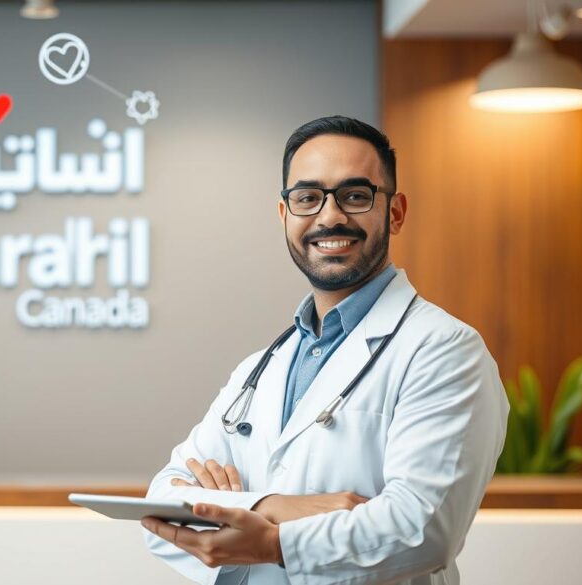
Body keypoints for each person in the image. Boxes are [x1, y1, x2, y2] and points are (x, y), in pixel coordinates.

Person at [140, 116, 508, 584]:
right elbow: (160, 501)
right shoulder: (260, 368)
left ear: (395, 212)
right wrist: (269, 506)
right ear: (284, 215)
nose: (329, 217)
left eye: (355, 196)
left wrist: (273, 543)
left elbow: (422, 529)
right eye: (307, 197)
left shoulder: (444, 351)